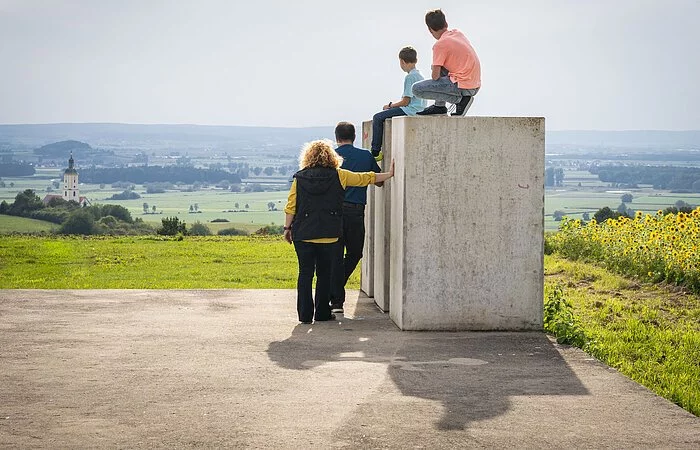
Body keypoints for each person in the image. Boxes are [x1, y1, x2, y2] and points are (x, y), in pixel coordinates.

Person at [283, 139, 395, 324]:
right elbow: (365, 178)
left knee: (305, 274)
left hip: (303, 233)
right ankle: (322, 313)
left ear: (307, 157)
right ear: (332, 157)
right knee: (324, 274)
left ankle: (304, 315)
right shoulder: (340, 175)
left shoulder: (299, 178)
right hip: (329, 233)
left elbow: (291, 206)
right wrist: (389, 174)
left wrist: (287, 229)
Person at [329, 122, 382, 315]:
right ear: (354, 137)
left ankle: (335, 298)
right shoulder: (365, 156)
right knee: (354, 253)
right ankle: (334, 295)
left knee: (334, 256)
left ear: (336, 138)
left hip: (332, 213)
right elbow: (378, 180)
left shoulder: (330, 157)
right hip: (355, 212)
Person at [412, 9, 481, 117]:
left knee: (416, 89)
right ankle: (439, 107)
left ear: (430, 30)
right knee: (442, 66)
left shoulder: (439, 45)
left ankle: (460, 100)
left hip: (463, 86)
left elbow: (435, 77)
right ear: (446, 23)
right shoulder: (457, 33)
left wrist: (434, 67)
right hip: (474, 84)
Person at [370, 46, 427, 161]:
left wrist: (390, 106)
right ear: (416, 60)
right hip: (420, 109)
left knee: (377, 117)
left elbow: (406, 101)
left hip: (410, 110)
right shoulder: (420, 75)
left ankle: (375, 152)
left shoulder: (410, 77)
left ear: (402, 61)